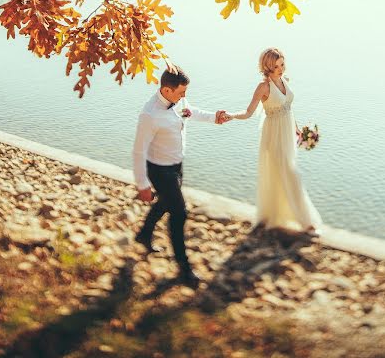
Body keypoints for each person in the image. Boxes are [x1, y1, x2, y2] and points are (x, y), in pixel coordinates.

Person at [132, 65, 227, 287]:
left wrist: (215, 118)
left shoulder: (179, 101)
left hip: (176, 165)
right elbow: (138, 151)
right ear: (166, 90)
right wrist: (142, 185)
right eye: (181, 92)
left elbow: (191, 112)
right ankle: (184, 269)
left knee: (165, 203)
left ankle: (144, 234)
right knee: (180, 213)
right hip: (159, 170)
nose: (184, 96)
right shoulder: (150, 115)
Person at [223, 48, 322, 234]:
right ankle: (306, 223)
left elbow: (288, 109)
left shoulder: (286, 80)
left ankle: (272, 216)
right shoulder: (264, 87)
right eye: (276, 66)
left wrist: (298, 130)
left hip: (288, 137)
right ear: (267, 67)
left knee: (281, 176)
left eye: (282, 64)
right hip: (274, 138)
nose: (280, 69)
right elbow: (248, 113)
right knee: (291, 175)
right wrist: (231, 116)